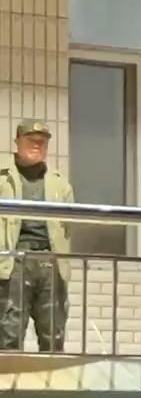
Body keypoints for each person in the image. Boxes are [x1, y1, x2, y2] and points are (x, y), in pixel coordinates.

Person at [0, 120, 73, 352]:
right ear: (17, 142)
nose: (37, 145)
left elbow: (68, 227)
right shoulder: (2, 178)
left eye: (42, 141)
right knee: (9, 333)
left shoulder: (60, 183)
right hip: (12, 262)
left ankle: (51, 377)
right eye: (31, 140)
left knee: (53, 334)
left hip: (50, 262)